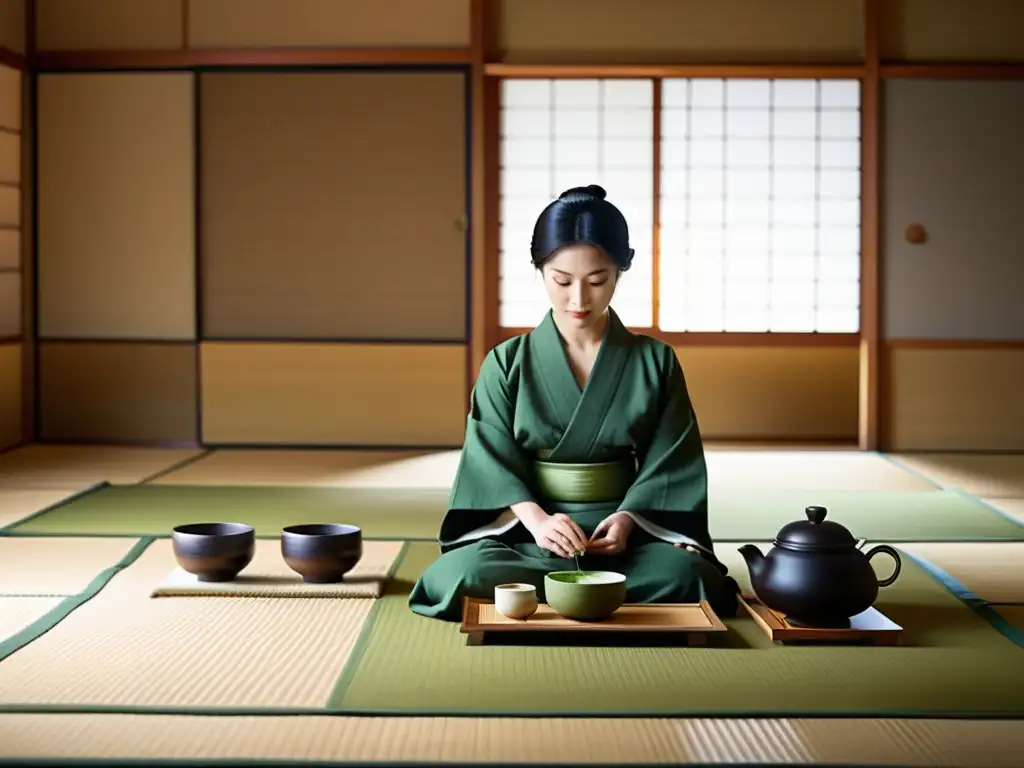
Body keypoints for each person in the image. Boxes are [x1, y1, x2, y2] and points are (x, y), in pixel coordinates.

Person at [407, 184, 739, 621]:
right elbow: (487, 465)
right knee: (460, 573)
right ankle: (587, 591)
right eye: (562, 281)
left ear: (620, 272)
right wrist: (538, 521)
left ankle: (552, 594)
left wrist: (629, 519)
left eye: (597, 280)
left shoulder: (655, 361)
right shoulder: (507, 362)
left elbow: (672, 463)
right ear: (540, 271)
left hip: (624, 541)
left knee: (689, 576)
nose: (579, 299)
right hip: (528, 537)